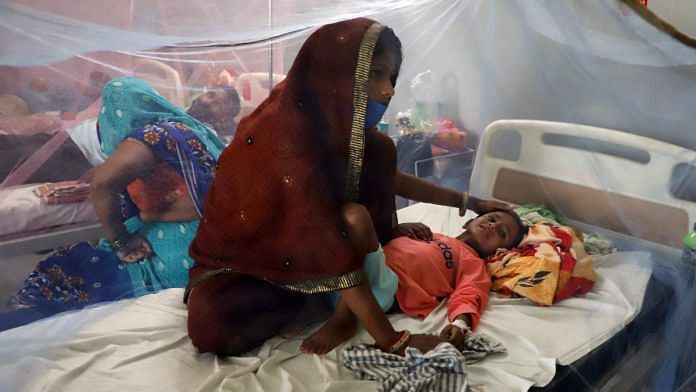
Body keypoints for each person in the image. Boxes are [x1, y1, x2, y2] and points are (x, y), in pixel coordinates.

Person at [185, 18, 512, 356]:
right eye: (376, 74)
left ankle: (332, 303)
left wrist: (468, 202)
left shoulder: (349, 135)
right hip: (254, 258)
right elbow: (321, 228)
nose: (389, 91)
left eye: (391, 78)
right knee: (212, 329)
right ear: (335, 73)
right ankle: (323, 300)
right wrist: (393, 340)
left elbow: (388, 179)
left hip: (326, 251)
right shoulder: (283, 137)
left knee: (380, 156)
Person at [0, 77, 227, 332]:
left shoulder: (149, 137)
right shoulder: (194, 133)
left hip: (173, 259)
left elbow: (103, 185)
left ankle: (22, 327)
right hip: (207, 258)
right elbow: (191, 203)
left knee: (70, 286)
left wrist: (121, 241)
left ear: (118, 114)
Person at [300, 209, 526, 354]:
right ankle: (308, 304)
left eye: (502, 233)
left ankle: (343, 318)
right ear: (470, 221)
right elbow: (374, 245)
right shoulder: (432, 234)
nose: (493, 226)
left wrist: (460, 324)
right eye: (492, 218)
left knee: (356, 217)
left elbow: (470, 293)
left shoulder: (472, 261)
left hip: (380, 288)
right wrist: (395, 231)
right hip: (345, 277)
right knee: (330, 224)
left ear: (499, 250)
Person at [0, 84, 239, 185]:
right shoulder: (174, 108)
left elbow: (161, 159)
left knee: (9, 161)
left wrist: (109, 170)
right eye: (209, 94)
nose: (205, 99)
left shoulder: (203, 136)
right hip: (70, 137)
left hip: (82, 157)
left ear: (227, 117)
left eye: (217, 102)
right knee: (6, 142)